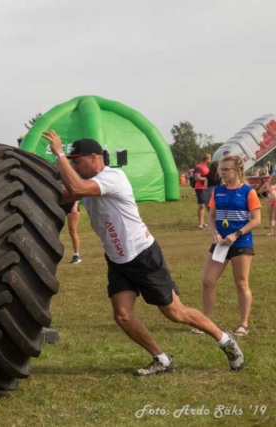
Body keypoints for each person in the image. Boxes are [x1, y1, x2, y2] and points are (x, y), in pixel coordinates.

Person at [41, 130, 244, 375]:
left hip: (142, 255)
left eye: (77, 161)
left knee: (175, 313)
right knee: (122, 315)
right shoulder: (87, 183)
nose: (74, 166)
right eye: (71, 162)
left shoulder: (112, 177)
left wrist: (59, 154)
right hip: (117, 260)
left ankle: (225, 340)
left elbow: (76, 187)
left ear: (94, 158)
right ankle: (162, 359)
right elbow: (60, 195)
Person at [199, 156, 261, 337]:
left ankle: (243, 324)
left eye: (226, 169)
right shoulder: (218, 191)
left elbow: (256, 220)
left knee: (241, 283)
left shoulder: (249, 192)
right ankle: (206, 321)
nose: (222, 173)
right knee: (207, 281)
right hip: (220, 243)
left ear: (238, 171)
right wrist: (214, 232)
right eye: (221, 169)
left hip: (241, 242)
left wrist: (236, 234)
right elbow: (211, 216)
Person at [194, 154, 211, 229]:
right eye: (210, 158)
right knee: (201, 205)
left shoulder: (206, 167)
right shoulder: (199, 167)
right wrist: (206, 179)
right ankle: (200, 223)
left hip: (205, 187)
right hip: (200, 188)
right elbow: (196, 177)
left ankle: (203, 222)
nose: (210, 160)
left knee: (204, 205)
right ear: (207, 159)